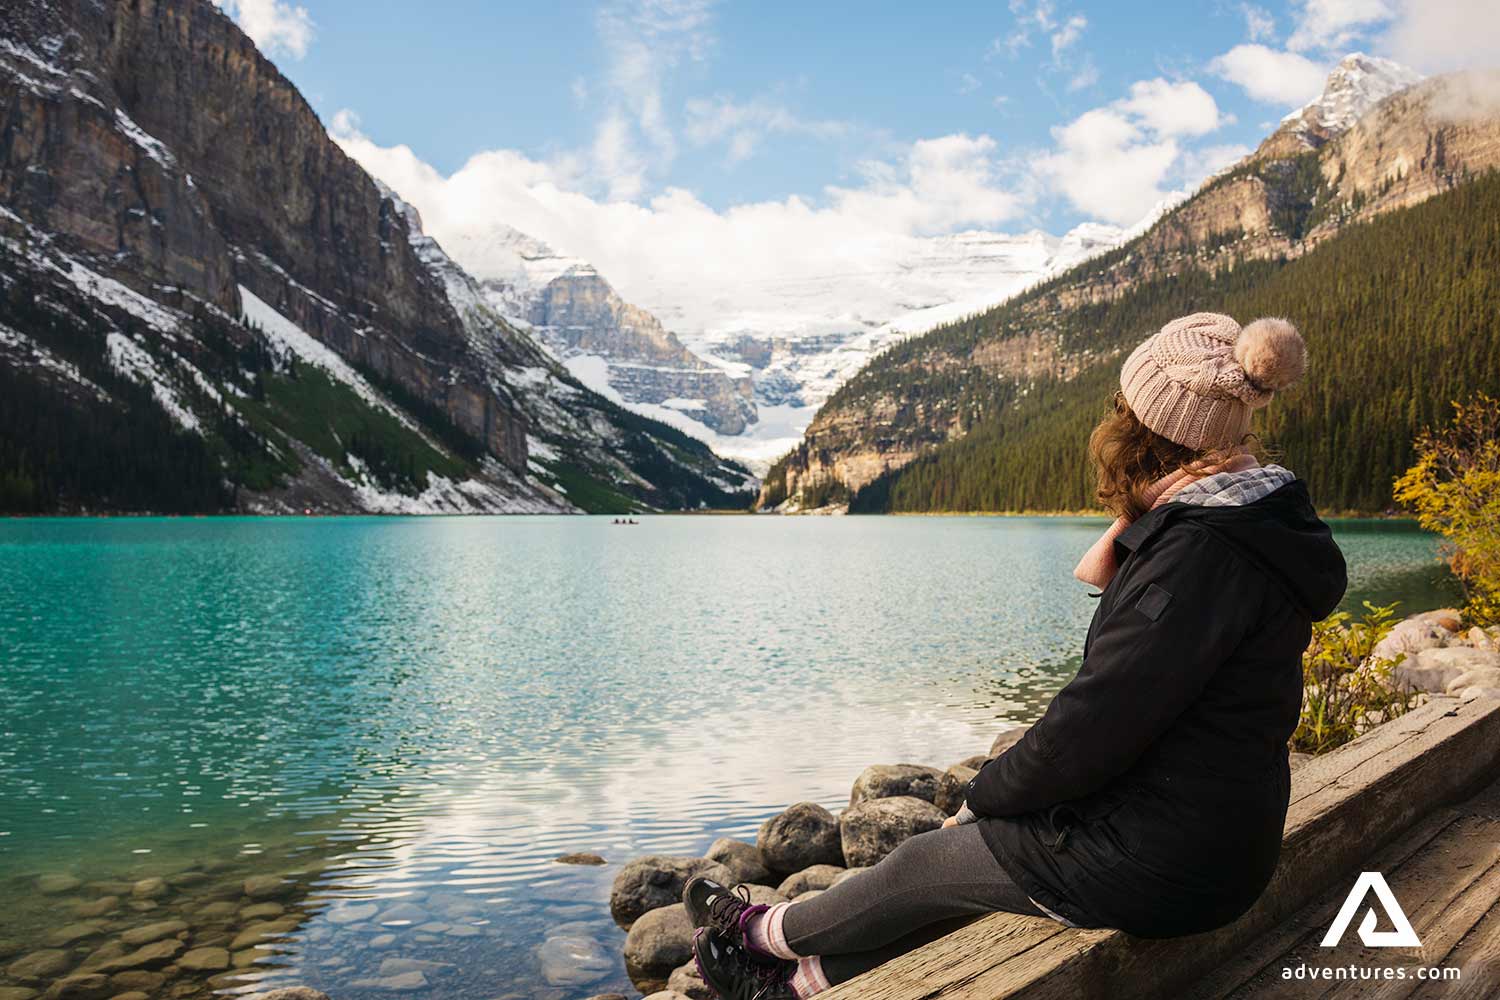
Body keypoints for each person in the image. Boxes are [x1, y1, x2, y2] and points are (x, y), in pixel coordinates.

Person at [684, 313, 1348, 998]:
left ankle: (758, 931)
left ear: (1150, 430)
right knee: (963, 873)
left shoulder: (1198, 557)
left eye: (1124, 403)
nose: (1113, 416)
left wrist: (983, 795)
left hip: (1169, 862)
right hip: (1217, 839)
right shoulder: (1241, 522)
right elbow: (1130, 717)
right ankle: (796, 985)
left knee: (926, 863)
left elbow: (1093, 724)